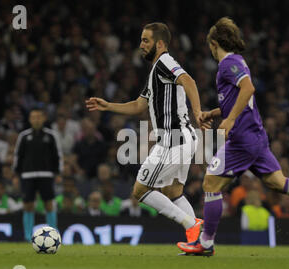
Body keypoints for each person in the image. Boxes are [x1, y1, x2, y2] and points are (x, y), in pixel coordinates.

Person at [177, 17, 289, 256]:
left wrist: (231, 120)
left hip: (242, 138)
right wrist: (213, 113)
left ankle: (205, 243)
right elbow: (238, 99)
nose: (210, 51)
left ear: (214, 43)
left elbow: (248, 89)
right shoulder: (238, 62)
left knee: (211, 183)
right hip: (255, 135)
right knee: (278, 182)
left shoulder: (227, 63)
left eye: (210, 46)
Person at [86, 22, 211, 243]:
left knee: (140, 190)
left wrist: (198, 111)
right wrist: (108, 106)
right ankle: (198, 242)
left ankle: (191, 224)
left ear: (160, 44)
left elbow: (188, 80)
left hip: (174, 139)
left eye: (146, 40)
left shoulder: (164, 62)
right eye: (141, 40)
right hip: (184, 137)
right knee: (172, 192)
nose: (141, 45)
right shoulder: (156, 70)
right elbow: (138, 105)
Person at [12, 107, 63, 241]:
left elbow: (57, 155)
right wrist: (16, 174)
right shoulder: (23, 136)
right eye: (33, 117)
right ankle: (28, 236)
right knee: (28, 204)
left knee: (49, 204)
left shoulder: (51, 136)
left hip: (46, 174)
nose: (36, 119)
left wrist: (58, 172)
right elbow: (18, 156)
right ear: (29, 119)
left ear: (44, 118)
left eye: (39, 116)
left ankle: (53, 235)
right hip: (27, 174)